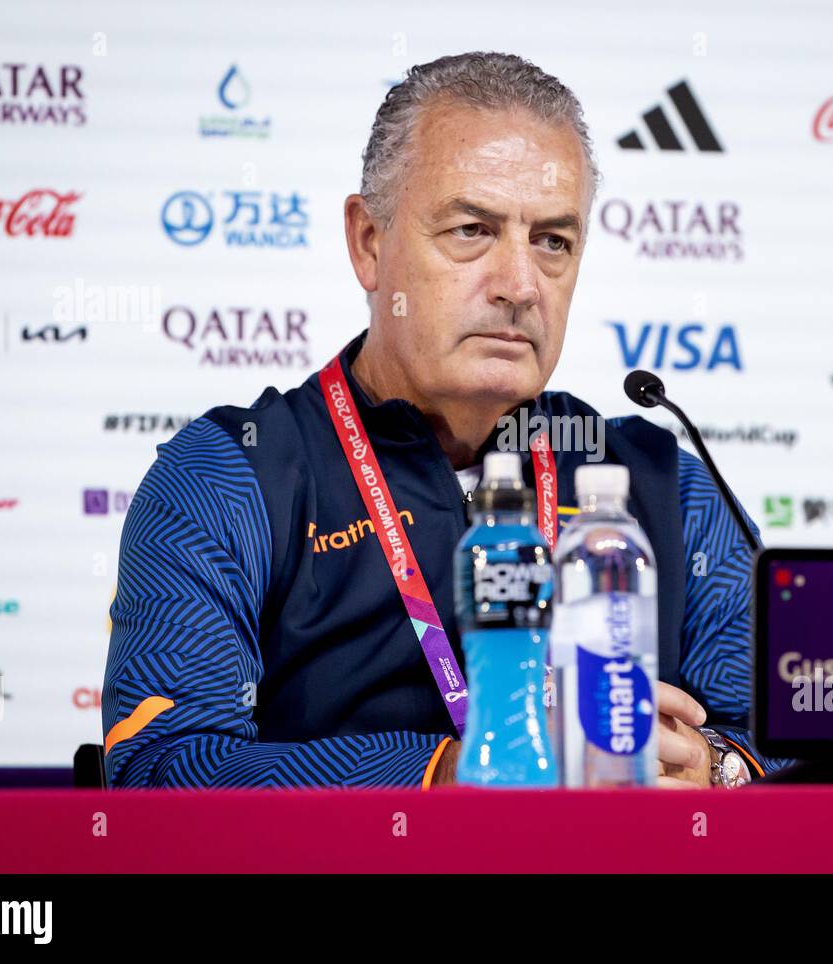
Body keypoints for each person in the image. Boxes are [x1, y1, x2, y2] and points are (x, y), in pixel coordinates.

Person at [102, 51, 786, 789]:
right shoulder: (228, 475)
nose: (520, 286)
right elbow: (161, 770)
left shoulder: (658, 483)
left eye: (553, 241)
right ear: (369, 242)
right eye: (471, 231)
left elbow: (803, 742)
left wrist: (716, 769)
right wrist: (455, 775)